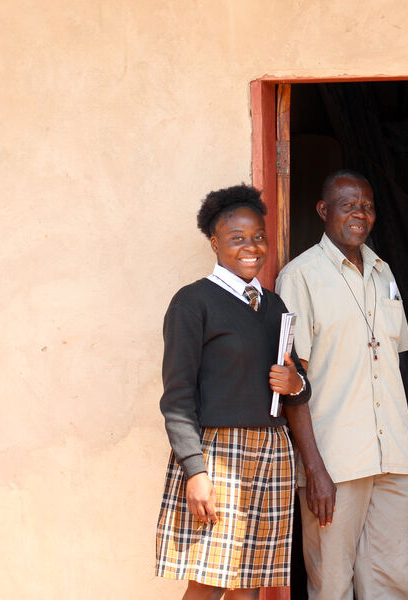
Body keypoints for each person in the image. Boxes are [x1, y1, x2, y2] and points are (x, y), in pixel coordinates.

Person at [155, 185, 311, 600]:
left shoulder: (274, 306)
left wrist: (297, 385)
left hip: (272, 451)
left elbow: (292, 383)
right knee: (208, 581)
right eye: (237, 238)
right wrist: (195, 470)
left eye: (258, 236)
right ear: (215, 242)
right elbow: (177, 397)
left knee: (251, 582)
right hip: (218, 456)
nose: (251, 247)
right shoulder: (193, 303)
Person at [275, 170, 408, 600]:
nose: (360, 213)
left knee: (393, 583)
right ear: (323, 211)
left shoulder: (384, 274)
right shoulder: (300, 277)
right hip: (334, 463)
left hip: (392, 456)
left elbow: (396, 360)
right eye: (348, 204)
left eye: (367, 206)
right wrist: (313, 467)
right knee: (332, 585)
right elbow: (292, 382)